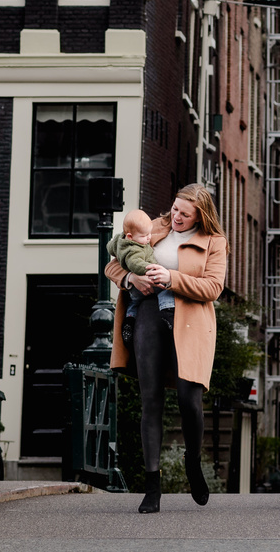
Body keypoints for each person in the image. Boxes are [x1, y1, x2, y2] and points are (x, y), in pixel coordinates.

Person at [106, 184, 228, 514]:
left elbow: (214, 287)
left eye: (184, 214)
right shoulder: (153, 226)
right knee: (151, 399)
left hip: (190, 321)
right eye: (174, 209)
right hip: (147, 315)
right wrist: (131, 280)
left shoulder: (214, 242)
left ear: (200, 216)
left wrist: (171, 277)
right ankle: (152, 487)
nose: (176, 217)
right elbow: (113, 263)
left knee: (190, 396)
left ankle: (192, 460)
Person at [107, 209, 156, 346]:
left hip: (139, 295)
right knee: (165, 292)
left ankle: (130, 320)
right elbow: (110, 268)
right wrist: (131, 277)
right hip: (146, 286)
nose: (149, 238)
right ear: (129, 236)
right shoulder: (136, 244)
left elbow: (110, 246)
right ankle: (167, 313)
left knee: (133, 305)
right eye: (175, 209)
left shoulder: (125, 238)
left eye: (185, 214)